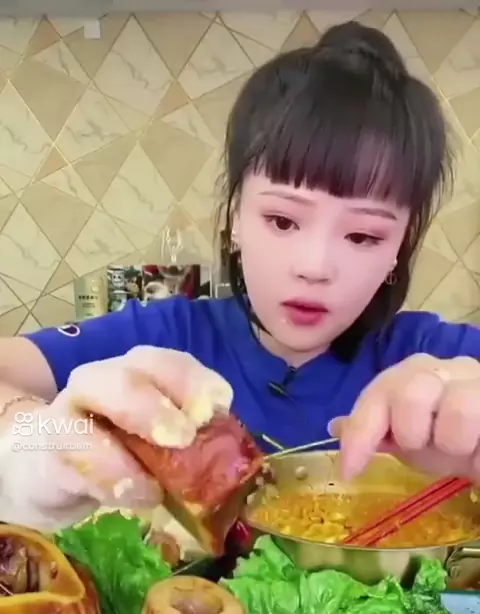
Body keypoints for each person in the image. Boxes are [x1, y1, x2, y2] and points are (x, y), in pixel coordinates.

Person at [1, 20, 480, 532]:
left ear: (399, 249)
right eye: (282, 221)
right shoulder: (166, 337)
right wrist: (35, 443)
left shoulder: (434, 355)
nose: (314, 267)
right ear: (234, 219)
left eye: (363, 236)